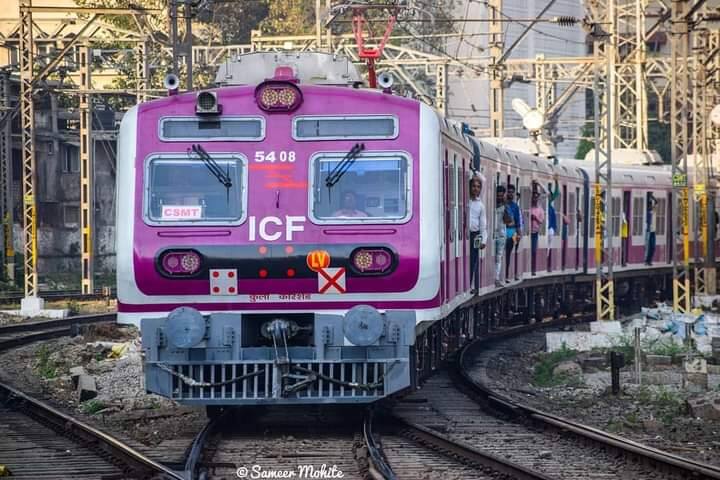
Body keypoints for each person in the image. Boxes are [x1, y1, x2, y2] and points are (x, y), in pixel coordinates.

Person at [468, 176, 487, 294]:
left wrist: (483, 240)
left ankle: (469, 285)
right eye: (474, 186)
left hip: (475, 235)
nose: (476, 189)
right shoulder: (465, 201)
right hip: (464, 234)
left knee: (472, 260)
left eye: (478, 187)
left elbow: (483, 225)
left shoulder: (481, 205)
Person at [504, 185, 522, 282]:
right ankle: (506, 274)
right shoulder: (504, 204)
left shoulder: (515, 207)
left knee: (512, 251)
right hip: (505, 230)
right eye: (509, 192)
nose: (510, 194)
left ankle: (513, 273)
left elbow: (518, 222)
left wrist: (519, 234)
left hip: (513, 231)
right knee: (506, 253)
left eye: (512, 192)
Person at [493, 185, 508, 287]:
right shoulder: (491, 206)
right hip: (492, 234)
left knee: (498, 257)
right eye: (497, 195)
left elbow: (509, 221)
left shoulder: (505, 207)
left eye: (501, 196)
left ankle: (496, 278)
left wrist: (505, 207)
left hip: (501, 235)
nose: (499, 197)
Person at [529, 188, 545, 275]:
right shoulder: (529, 208)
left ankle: (533, 268)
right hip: (528, 232)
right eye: (533, 197)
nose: (534, 199)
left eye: (536, 197)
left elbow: (541, 221)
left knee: (534, 250)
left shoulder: (540, 210)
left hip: (535, 232)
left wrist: (535, 218)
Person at [645, 193, 657, 265]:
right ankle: (647, 261)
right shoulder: (647, 213)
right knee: (648, 247)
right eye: (650, 206)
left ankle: (649, 260)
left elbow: (656, 202)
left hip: (653, 231)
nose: (651, 206)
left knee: (652, 247)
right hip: (648, 231)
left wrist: (651, 196)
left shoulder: (653, 211)